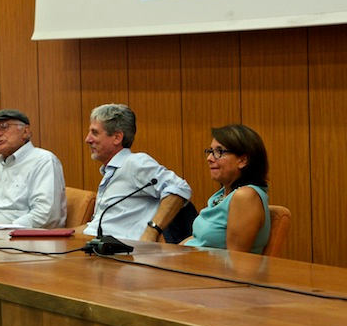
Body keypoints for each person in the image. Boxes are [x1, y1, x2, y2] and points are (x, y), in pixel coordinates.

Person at [83, 103, 192, 240]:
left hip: (122, 254)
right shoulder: (111, 172)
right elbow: (97, 226)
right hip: (97, 244)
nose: (88, 139)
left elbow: (179, 188)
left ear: (117, 138)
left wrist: (152, 231)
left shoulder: (135, 163)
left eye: (95, 133)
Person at [183, 125, 271, 253]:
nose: (209, 158)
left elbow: (236, 260)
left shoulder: (245, 196)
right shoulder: (222, 195)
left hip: (209, 271)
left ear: (242, 160)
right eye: (210, 151)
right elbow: (199, 240)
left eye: (219, 152)